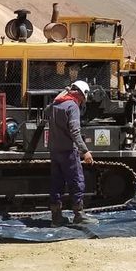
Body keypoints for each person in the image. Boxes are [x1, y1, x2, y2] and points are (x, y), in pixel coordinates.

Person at [48, 80, 95, 226]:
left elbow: (45, 111)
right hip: (68, 152)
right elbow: (75, 131)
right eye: (83, 98)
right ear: (81, 93)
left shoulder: (56, 104)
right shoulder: (72, 106)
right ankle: (79, 215)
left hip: (55, 151)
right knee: (76, 182)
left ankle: (56, 218)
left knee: (57, 184)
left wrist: (58, 97)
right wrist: (85, 151)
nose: (82, 101)